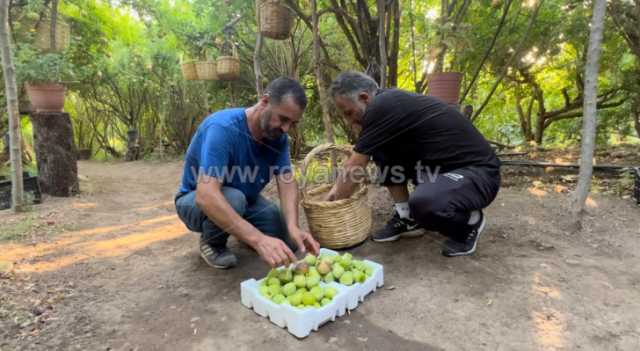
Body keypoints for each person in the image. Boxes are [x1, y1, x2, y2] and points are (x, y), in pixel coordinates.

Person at [326, 72, 501, 257]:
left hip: (479, 174)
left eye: (348, 113)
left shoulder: (383, 105)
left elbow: (355, 165)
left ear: (364, 98)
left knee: (424, 203)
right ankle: (406, 216)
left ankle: (469, 222)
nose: (349, 120)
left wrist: (333, 205)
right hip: (440, 173)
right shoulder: (387, 106)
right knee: (381, 148)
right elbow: (369, 155)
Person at [175, 77, 320, 269]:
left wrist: (293, 226)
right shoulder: (222, 128)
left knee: (288, 242)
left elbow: (287, 182)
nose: (286, 129)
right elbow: (206, 196)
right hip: (194, 202)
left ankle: (240, 230)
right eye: (283, 119)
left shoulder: (278, 138)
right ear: (265, 101)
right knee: (234, 199)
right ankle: (212, 242)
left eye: (292, 123)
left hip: (247, 201)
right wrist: (258, 239)